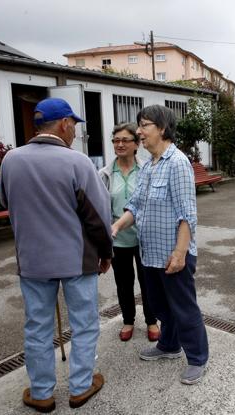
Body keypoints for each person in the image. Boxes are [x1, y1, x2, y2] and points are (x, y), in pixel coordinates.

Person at [0, 97, 113, 412]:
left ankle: (41, 392)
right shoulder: (78, 162)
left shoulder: (11, 159)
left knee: (37, 326)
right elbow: (98, 216)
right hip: (76, 259)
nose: (74, 131)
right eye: (73, 125)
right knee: (85, 323)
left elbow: (4, 199)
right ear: (63, 124)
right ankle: (80, 386)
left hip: (33, 260)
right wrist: (106, 252)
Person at [111, 105, 209, 385]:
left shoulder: (177, 163)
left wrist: (180, 253)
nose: (139, 131)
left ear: (162, 128)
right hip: (151, 254)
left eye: (144, 125)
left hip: (172, 255)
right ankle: (168, 345)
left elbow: (187, 214)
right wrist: (117, 226)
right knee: (160, 307)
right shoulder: (150, 164)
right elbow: (137, 205)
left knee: (184, 309)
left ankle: (198, 358)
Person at [99, 123, 160, 342]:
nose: (120, 144)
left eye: (125, 140)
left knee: (148, 282)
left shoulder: (148, 169)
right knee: (123, 282)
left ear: (136, 144)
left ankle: (152, 320)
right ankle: (128, 320)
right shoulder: (105, 174)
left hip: (144, 238)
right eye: (116, 140)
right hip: (118, 238)